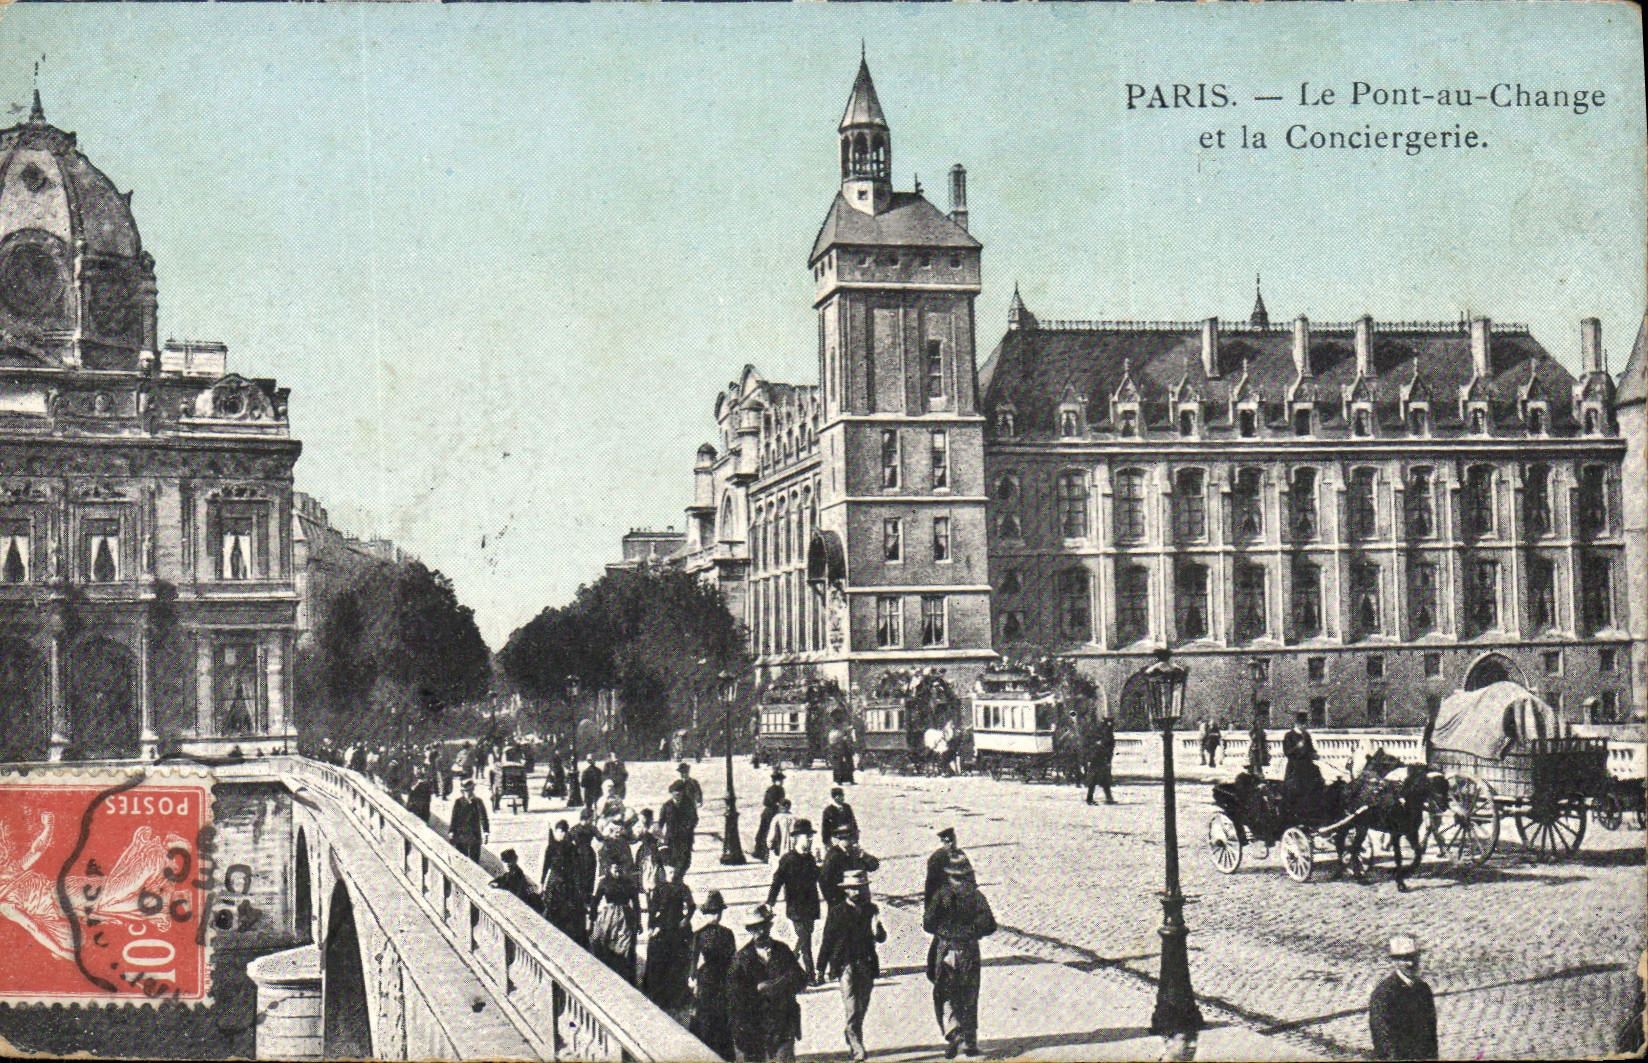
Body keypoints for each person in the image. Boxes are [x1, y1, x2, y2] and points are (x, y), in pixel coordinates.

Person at [925, 854, 997, 1058]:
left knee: (944, 992)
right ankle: (970, 1041)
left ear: (949, 875)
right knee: (969, 993)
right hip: (968, 950)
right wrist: (971, 931)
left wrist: (946, 931)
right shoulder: (976, 896)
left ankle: (953, 1030)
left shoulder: (941, 894)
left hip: (946, 949)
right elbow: (990, 925)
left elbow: (928, 923)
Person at [818, 868, 885, 1062]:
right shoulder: (837, 912)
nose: (857, 892)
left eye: (860, 888)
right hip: (845, 966)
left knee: (862, 1007)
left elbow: (881, 938)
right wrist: (821, 968)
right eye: (853, 888)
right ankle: (857, 1047)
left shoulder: (871, 910)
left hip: (866, 963)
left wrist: (877, 927)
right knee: (852, 1007)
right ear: (846, 890)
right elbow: (827, 940)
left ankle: (852, 1033)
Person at [730, 904, 806, 1063]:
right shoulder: (742, 958)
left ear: (769, 925)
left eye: (763, 926)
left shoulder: (782, 951)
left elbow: (800, 979)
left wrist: (773, 986)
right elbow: (734, 997)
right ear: (749, 930)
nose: (760, 932)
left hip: (783, 1023)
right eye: (755, 928)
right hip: (755, 1027)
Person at [765, 818, 821, 986]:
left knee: (803, 940)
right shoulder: (788, 859)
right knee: (806, 942)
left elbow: (818, 878)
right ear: (797, 838)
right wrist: (770, 902)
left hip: (810, 907)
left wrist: (820, 866)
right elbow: (777, 881)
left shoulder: (810, 858)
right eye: (807, 836)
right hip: (796, 908)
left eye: (811, 836)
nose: (810, 839)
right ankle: (811, 976)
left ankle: (785, 969)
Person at [1368, 934, 1438, 1060]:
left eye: (1413, 958)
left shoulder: (1423, 989)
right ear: (1395, 962)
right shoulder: (1384, 992)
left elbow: (1431, 1032)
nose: (1410, 963)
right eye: (1405, 959)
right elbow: (1382, 1035)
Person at [691, 890, 738, 1061]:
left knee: (717, 1015)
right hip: (712, 977)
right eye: (712, 913)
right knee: (712, 1015)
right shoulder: (706, 934)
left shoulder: (722, 933)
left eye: (717, 912)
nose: (715, 916)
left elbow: (734, 958)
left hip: (716, 976)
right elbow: (694, 957)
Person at [644, 864, 697, 1013]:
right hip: (663, 926)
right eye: (670, 872)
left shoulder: (683, 888)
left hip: (677, 927)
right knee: (659, 958)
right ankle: (658, 995)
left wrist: (686, 920)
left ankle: (675, 997)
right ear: (665, 873)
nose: (672, 875)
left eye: (675, 872)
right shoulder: (660, 888)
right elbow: (653, 909)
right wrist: (651, 926)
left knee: (678, 960)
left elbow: (691, 906)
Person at [590, 860, 642, 984]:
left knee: (626, 946)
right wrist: (592, 920)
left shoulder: (629, 883)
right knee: (603, 943)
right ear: (609, 868)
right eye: (615, 869)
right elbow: (595, 901)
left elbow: (636, 904)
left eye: (620, 869)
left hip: (626, 917)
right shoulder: (604, 882)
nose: (618, 872)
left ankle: (626, 978)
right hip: (609, 916)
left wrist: (638, 922)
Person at [541, 819, 587, 944]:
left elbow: (577, 868)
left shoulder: (571, 848)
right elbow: (546, 866)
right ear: (555, 831)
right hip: (554, 883)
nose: (562, 834)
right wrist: (541, 884)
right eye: (559, 831)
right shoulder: (551, 847)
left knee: (569, 910)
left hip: (568, 883)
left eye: (564, 832)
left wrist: (578, 886)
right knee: (552, 908)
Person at [1282, 711, 1325, 819]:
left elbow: (1311, 749)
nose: (1304, 726)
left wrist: (1315, 754)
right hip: (1295, 766)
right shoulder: (1289, 736)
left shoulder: (1306, 735)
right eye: (1302, 724)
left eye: (1305, 723)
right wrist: (1297, 747)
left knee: (1318, 780)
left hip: (1308, 765)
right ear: (1297, 723)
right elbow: (1287, 753)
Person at [661, 780, 699, 877]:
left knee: (685, 862)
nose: (677, 795)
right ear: (672, 793)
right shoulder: (667, 806)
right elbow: (661, 821)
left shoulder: (688, 804)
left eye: (679, 793)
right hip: (671, 838)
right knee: (673, 861)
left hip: (685, 838)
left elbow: (694, 819)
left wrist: (687, 828)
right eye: (675, 792)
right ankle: (676, 879)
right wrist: (659, 836)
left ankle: (678, 877)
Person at [925, 826, 969, 909]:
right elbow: (932, 883)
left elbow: (969, 876)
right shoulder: (937, 857)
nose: (951, 844)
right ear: (943, 842)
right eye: (948, 842)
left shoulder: (961, 855)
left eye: (953, 840)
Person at [449, 779, 490, 862]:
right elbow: (454, 818)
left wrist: (486, 832)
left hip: (474, 836)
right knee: (461, 860)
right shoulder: (458, 802)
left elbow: (483, 817)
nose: (467, 793)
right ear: (462, 792)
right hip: (461, 836)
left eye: (469, 791)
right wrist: (451, 831)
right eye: (465, 791)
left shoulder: (478, 802)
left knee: (474, 861)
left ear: (472, 790)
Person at [489, 848, 540, 912]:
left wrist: (497, 886)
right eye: (505, 862)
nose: (507, 864)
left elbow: (511, 887)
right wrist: (494, 881)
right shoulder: (511, 871)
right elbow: (503, 877)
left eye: (509, 861)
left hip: (520, 901)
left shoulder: (517, 873)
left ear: (514, 860)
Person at [752, 770, 786, 862]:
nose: (782, 782)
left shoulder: (770, 789)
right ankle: (765, 854)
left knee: (763, 831)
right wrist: (778, 805)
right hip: (772, 813)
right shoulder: (779, 789)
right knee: (769, 833)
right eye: (781, 780)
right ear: (776, 781)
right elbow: (774, 802)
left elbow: (765, 802)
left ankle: (759, 851)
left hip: (767, 813)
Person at [1084, 715, 1116, 805]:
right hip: (1098, 759)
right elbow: (1108, 749)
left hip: (1099, 759)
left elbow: (1110, 749)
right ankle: (1090, 798)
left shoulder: (1103, 733)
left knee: (1103, 780)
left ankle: (1108, 798)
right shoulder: (1105, 735)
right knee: (1097, 779)